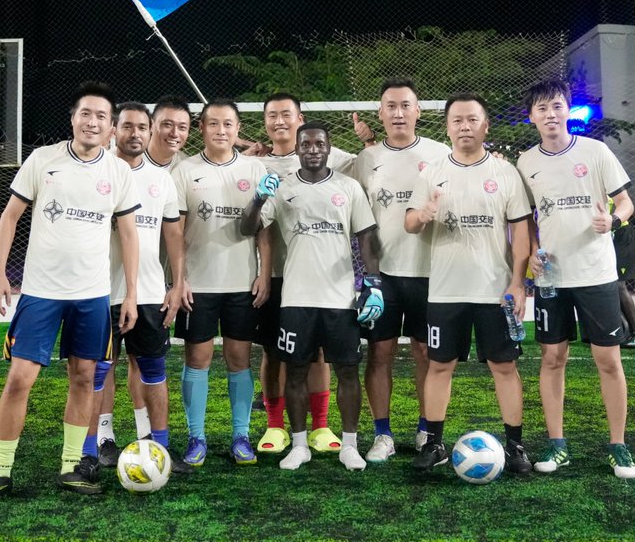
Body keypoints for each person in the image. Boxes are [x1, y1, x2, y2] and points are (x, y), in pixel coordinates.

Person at [0, 81, 140, 506]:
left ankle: (70, 467)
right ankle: (0, 471)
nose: (92, 122)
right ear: (73, 119)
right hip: (41, 293)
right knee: (19, 379)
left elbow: (129, 235)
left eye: (101, 116)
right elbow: (10, 217)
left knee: (84, 378)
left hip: (93, 295)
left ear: (111, 127)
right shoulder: (43, 160)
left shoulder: (118, 172)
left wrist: (131, 293)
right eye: (86, 114)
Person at [404, 93, 534, 474]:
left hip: (495, 291)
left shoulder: (505, 173)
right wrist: (423, 214)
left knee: (504, 366)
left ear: (485, 126)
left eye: (472, 119)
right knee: (439, 366)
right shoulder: (431, 172)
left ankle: (516, 447)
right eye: (457, 120)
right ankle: (434, 444)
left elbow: (521, 234)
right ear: (447, 127)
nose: (465, 126)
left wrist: (518, 283)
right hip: (445, 290)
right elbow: (409, 223)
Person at [516, 79, 635, 479]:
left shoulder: (595, 151)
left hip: (596, 274)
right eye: (542, 109)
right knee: (552, 358)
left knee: (608, 360)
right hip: (552, 277)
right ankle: (557, 444)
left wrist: (613, 220)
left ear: (567, 109)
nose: (550, 114)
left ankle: (618, 446)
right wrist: (533, 251)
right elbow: (526, 219)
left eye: (556, 106)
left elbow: (626, 202)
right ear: (531, 117)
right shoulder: (525, 162)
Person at [242, 121, 380, 470]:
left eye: (320, 144)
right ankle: (299, 445)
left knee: (347, 371)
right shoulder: (284, 188)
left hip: (341, 300)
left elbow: (366, 237)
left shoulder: (347, 187)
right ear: (298, 148)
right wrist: (258, 198)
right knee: (296, 372)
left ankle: (350, 446)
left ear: (329, 148)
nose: (313, 149)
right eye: (307, 144)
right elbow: (247, 227)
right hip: (296, 299)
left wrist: (374, 284)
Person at [81, 103, 193, 475]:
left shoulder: (161, 179)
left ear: (149, 132)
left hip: (149, 294)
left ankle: (160, 446)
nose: (135, 134)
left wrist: (177, 284)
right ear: (114, 130)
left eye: (142, 128)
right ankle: (96, 447)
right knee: (99, 371)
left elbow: (174, 236)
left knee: (153, 370)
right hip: (99, 292)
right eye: (128, 126)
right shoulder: (95, 173)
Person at [351, 78, 450, 462]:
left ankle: (427, 430)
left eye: (405, 105)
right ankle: (382, 435)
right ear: (380, 113)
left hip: (431, 273)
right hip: (383, 275)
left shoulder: (440, 154)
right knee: (380, 353)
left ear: (418, 111)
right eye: (390, 106)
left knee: (426, 353)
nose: (398, 113)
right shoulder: (366, 159)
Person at [171, 99, 272, 467]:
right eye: (213, 124)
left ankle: (240, 436)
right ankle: (196, 438)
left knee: (238, 359)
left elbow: (264, 229)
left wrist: (264, 273)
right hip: (197, 284)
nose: (221, 130)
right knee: (197, 360)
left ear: (237, 129)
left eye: (228, 124)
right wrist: (179, 279)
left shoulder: (254, 167)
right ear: (202, 128)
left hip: (241, 283)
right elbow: (176, 232)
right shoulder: (184, 171)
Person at [613, 210, 635, 347]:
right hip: (611, 238)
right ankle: (633, 330)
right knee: (611, 284)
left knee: (619, 285)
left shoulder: (609, 197)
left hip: (623, 238)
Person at [145, 96, 192, 172]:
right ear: (151, 125)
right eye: (168, 124)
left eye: (182, 127)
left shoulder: (187, 167)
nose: (174, 134)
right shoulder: (129, 160)